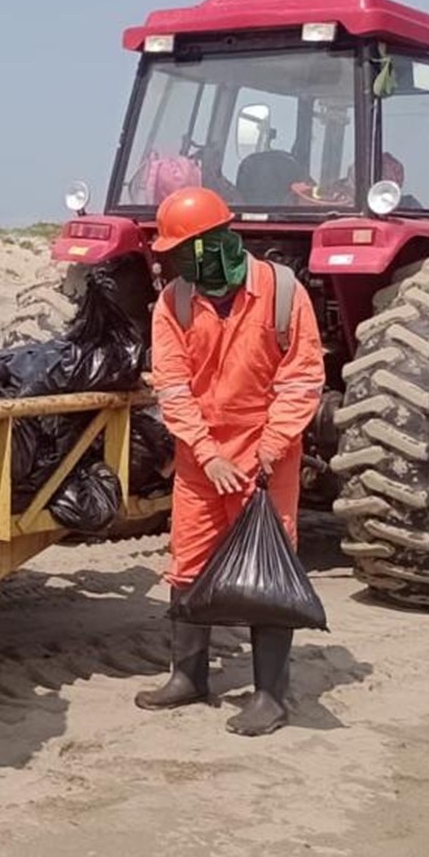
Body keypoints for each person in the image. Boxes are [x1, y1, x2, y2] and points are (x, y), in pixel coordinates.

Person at [136, 186, 325, 736]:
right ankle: (189, 675)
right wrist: (206, 452)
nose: (177, 262)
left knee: (268, 568)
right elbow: (172, 387)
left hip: (268, 454)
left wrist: (268, 450)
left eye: (184, 250)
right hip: (202, 457)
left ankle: (270, 696)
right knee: (189, 563)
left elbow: (301, 380)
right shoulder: (173, 303)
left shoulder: (283, 295)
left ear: (217, 242)